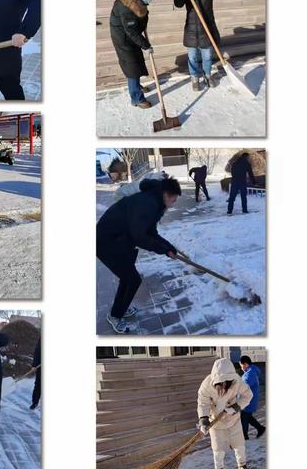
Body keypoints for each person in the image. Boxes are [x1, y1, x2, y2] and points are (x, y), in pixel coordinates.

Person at [97, 177, 181, 334]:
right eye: (174, 200)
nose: (174, 203)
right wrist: (163, 250)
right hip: (106, 243)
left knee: (128, 277)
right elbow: (140, 236)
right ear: (167, 195)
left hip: (119, 240)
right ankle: (115, 315)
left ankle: (119, 309)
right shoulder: (148, 204)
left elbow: (150, 232)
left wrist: (168, 247)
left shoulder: (153, 200)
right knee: (133, 279)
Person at [198, 358, 253, 469]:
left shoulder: (236, 380)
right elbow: (203, 403)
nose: (224, 386)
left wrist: (235, 407)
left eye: (227, 383)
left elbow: (248, 395)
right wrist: (203, 419)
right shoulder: (206, 385)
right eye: (221, 384)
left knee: (239, 446)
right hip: (216, 423)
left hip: (233, 420)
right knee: (218, 451)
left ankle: (242, 465)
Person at [110, 0, 157, 109]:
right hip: (124, 40)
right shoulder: (127, 6)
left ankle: (136, 87)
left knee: (136, 61)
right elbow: (131, 30)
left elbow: (136, 25)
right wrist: (145, 45)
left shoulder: (138, 0)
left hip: (132, 37)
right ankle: (136, 98)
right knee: (132, 68)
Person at [174, 0, 221, 91]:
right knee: (192, 57)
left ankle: (207, 76)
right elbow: (178, 3)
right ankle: (194, 78)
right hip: (191, 30)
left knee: (207, 57)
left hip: (206, 28)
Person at [239, 355, 266, 440]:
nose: (241, 367)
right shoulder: (250, 371)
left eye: (241, 365)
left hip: (249, 399)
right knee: (247, 416)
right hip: (250, 398)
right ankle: (260, 428)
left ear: (246, 364)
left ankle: (244, 436)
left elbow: (245, 386)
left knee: (244, 416)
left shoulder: (250, 373)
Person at [30, 337, 41, 410]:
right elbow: (37, 350)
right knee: (38, 385)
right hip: (40, 366)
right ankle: (35, 402)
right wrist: (34, 365)